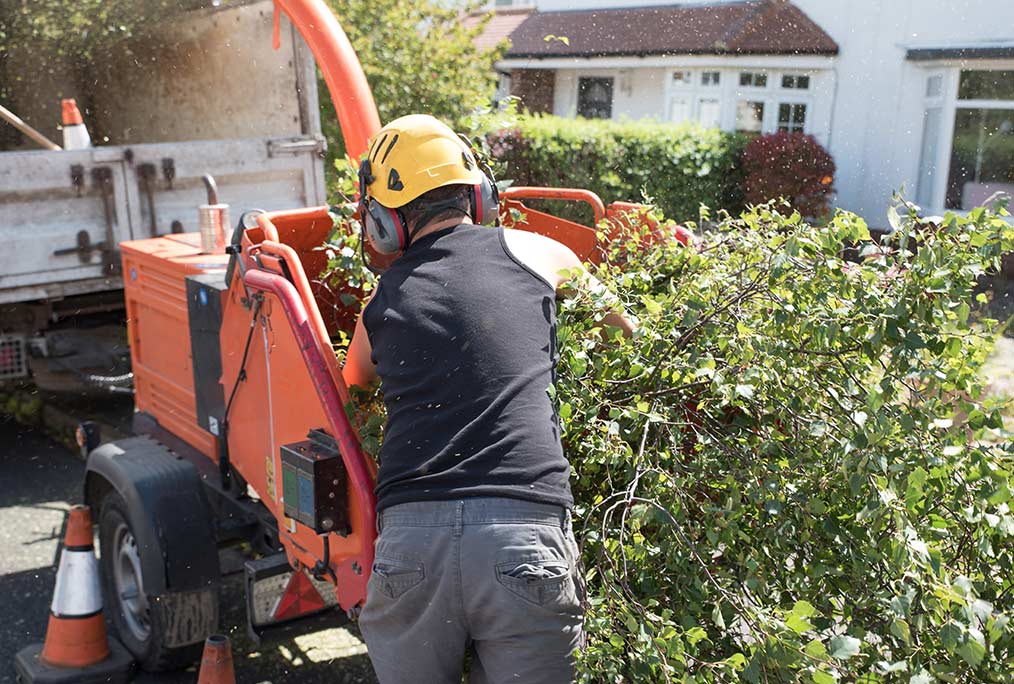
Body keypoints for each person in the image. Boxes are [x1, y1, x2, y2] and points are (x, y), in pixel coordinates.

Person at [342, 114, 633, 684]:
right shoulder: (539, 254)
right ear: (479, 194)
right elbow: (624, 331)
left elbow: (354, 387)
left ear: (382, 222)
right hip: (523, 535)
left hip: (412, 548)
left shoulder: (379, 303)